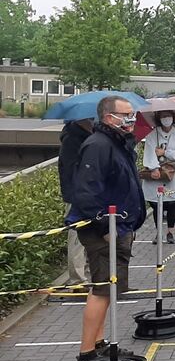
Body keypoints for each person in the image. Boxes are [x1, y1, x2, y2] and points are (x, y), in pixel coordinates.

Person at [67, 95, 146, 361]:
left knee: (109, 289)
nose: (131, 120)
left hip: (119, 226)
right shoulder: (98, 145)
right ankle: (87, 352)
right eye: (125, 115)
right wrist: (104, 228)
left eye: (132, 114)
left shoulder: (119, 143)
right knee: (102, 289)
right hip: (105, 231)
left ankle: (98, 342)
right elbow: (87, 191)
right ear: (108, 117)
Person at [141, 111, 175, 245]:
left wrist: (166, 152)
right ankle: (159, 232)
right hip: (157, 175)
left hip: (173, 173)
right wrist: (154, 168)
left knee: (173, 203)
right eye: (163, 116)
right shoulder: (152, 135)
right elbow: (149, 152)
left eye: (168, 116)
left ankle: (170, 232)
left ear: (173, 118)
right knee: (156, 204)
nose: (166, 119)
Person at [59, 118, 93, 285]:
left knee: (90, 237)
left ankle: (87, 274)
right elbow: (71, 171)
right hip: (77, 196)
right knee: (77, 239)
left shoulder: (88, 136)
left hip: (90, 194)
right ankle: (77, 280)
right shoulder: (72, 140)